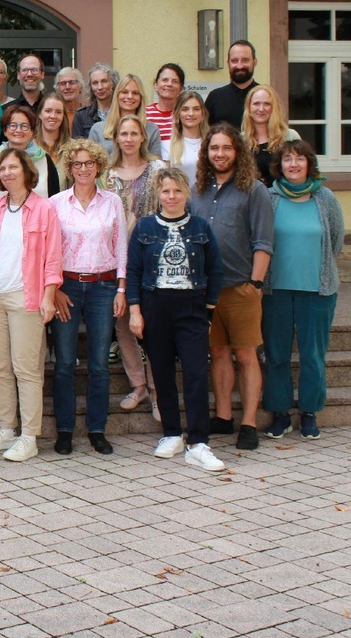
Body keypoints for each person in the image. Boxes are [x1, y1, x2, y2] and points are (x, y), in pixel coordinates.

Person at [126, 168, 225, 472]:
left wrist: (208, 309)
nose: (171, 197)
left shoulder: (200, 228)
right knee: (162, 372)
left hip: (191, 307)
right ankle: (171, 433)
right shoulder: (144, 227)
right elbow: (133, 272)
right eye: (166, 191)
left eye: (177, 191)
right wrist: (135, 310)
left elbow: (215, 269)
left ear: (186, 193)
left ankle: (198, 442)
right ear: (158, 194)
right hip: (155, 306)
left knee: (195, 372)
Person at [0, 147, 61, 462]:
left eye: (13, 167)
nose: (7, 173)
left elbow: (52, 256)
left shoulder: (44, 209)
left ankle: (29, 436)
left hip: (28, 297)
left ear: (26, 170)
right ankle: (7, 429)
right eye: (3, 168)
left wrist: (49, 296)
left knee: (27, 369)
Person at [190, 123, 273, 451]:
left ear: (237, 152)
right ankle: (223, 417)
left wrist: (255, 284)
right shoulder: (197, 190)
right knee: (218, 353)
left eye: (226, 148)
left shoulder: (254, 190)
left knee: (246, 354)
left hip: (241, 287)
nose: (220, 154)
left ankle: (249, 422)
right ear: (206, 153)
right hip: (206, 290)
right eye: (214, 148)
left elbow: (263, 241)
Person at [262, 141, 344, 441]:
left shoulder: (325, 199)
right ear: (279, 166)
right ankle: (280, 414)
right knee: (276, 355)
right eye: (287, 159)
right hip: (276, 291)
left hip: (317, 291)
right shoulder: (269, 198)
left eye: (299, 159)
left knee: (312, 354)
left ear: (309, 164)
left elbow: (335, 241)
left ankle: (309, 412)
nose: (293, 164)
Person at [49, 139, 126, 456]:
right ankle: (64, 430)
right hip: (66, 286)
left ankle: (97, 429)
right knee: (65, 362)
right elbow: (49, 250)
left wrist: (122, 289)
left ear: (98, 166)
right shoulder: (56, 203)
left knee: (99, 364)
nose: (83, 169)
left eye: (89, 163)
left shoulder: (113, 203)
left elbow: (121, 246)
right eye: (77, 164)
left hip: (103, 287)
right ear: (69, 168)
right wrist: (52, 290)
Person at [106, 115, 165, 419]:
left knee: (151, 328)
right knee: (123, 326)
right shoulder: (107, 174)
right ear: (116, 138)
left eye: (134, 133)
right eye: (123, 133)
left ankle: (158, 393)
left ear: (143, 137)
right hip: (118, 260)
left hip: (152, 258)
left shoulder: (158, 170)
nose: (128, 139)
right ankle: (138, 386)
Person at [0, 104, 60, 202]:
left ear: (32, 131)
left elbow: (55, 198)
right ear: (5, 131)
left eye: (24, 126)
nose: (18, 130)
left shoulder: (45, 160)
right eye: (13, 126)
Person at [88, 74, 162, 157]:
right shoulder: (98, 129)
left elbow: (157, 165)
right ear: (117, 95)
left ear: (141, 97)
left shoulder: (152, 129)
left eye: (135, 93)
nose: (130, 96)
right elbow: (91, 164)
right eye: (124, 92)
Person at [241, 85, 300, 187]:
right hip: (252, 200)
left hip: (284, 199)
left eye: (267, 104)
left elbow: (302, 171)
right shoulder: (241, 140)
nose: (261, 109)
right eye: (256, 104)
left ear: (274, 107)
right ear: (249, 108)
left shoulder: (290, 137)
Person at [205, 40, 259, 127]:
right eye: (234, 60)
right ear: (228, 63)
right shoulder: (215, 97)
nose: (239, 66)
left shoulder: (266, 97)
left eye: (245, 60)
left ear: (254, 62)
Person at [164, 90, 207, 181]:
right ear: (177, 113)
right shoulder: (166, 146)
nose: (191, 114)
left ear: (202, 113)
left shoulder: (211, 143)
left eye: (196, 109)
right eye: (185, 109)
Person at [73, 63, 117, 139]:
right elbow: (77, 147)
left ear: (112, 83)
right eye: (95, 83)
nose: (100, 87)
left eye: (104, 81)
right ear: (90, 87)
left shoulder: (122, 113)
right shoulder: (81, 116)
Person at [36, 92, 72, 185]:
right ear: (40, 114)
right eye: (48, 111)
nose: (53, 116)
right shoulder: (30, 147)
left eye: (58, 112)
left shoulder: (73, 149)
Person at [146, 64, 185, 143]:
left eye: (175, 81)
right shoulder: (144, 113)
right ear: (156, 85)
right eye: (165, 80)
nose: (169, 84)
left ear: (181, 88)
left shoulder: (185, 114)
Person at [54, 67, 85, 131]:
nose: (67, 87)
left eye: (72, 82)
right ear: (57, 89)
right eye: (63, 83)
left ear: (81, 87)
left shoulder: (88, 115)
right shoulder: (53, 116)